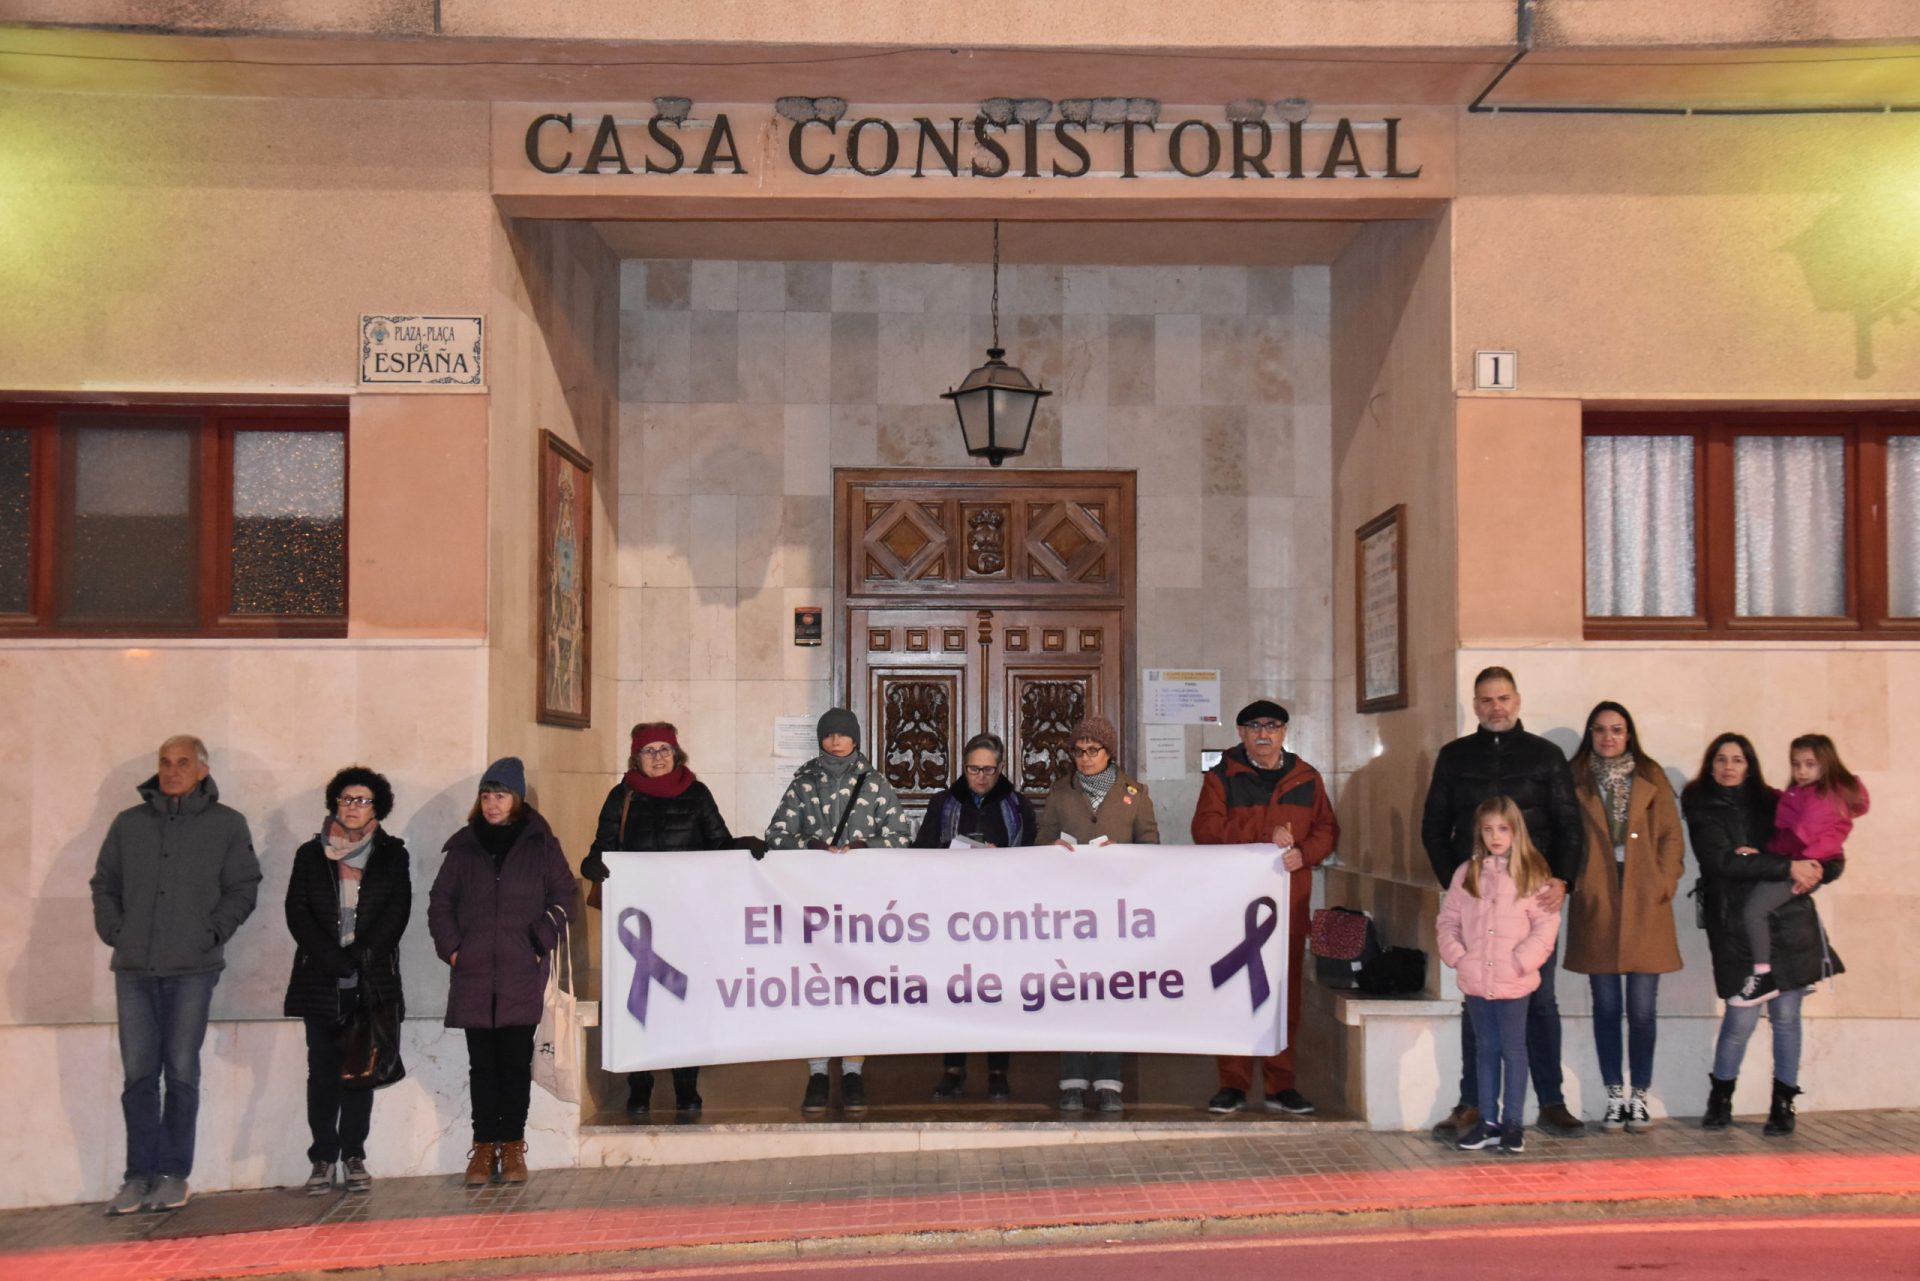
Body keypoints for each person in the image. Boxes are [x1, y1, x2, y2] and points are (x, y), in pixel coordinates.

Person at [90, 735, 261, 1216]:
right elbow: (104, 884)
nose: (171, 771)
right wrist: (116, 931)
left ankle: (172, 1175)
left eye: (182, 763)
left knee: (181, 1071)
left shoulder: (227, 824)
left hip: (192, 968)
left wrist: (212, 932)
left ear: (202, 770)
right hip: (134, 969)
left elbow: (243, 886)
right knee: (138, 1075)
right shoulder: (129, 824)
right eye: (165, 762)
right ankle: (136, 1177)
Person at [1420, 666, 1585, 1141]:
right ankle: (1472, 1104)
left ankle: (1551, 1102)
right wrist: (1460, 886)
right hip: (1477, 902)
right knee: (1477, 1004)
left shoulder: (1546, 756)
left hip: (1534, 902)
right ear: (1476, 706)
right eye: (1487, 700)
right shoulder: (1454, 757)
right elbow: (1433, 826)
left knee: (1542, 1001)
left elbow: (1570, 825)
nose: (1497, 707)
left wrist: (1563, 880)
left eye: (1504, 698)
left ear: (1517, 700)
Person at [581, 723, 761, 1118]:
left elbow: (718, 844)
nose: (658, 757)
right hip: (637, 919)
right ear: (637, 758)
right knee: (639, 1000)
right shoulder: (622, 796)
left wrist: (743, 846)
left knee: (685, 999)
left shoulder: (697, 793)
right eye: (650, 751)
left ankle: (685, 1084)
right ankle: (639, 1083)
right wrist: (592, 863)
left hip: (686, 916)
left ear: (677, 754)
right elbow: (603, 846)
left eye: (665, 749)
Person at [1682, 733, 1842, 1137]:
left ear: (1750, 765)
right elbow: (1721, 862)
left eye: (1737, 759)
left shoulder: (1778, 800)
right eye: (1721, 759)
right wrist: (1786, 866)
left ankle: (1783, 1104)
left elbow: (1831, 854)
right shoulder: (1700, 805)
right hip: (1735, 927)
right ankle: (1720, 1099)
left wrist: (1816, 870)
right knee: (1740, 1018)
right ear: (1710, 765)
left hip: (1788, 922)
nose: (1729, 767)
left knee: (1787, 1017)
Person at [428, 758, 577, 1186]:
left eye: (501, 795)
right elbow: (440, 902)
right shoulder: (464, 847)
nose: (492, 804)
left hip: (520, 973)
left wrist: (537, 942)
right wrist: (454, 951)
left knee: (514, 1064)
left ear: (517, 799)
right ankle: (482, 1148)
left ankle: (512, 1147)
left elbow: (564, 895)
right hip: (474, 975)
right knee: (482, 1067)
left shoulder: (541, 845)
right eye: (486, 796)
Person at [1190, 699, 1338, 1116]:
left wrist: (1305, 853)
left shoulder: (1307, 777)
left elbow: (1328, 829)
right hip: (1235, 905)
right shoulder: (1222, 776)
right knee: (1236, 993)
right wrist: (1262, 831)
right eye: (1254, 726)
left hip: (1289, 904)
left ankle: (1281, 1084)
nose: (1263, 734)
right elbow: (1204, 828)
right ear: (1240, 733)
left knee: (1284, 997)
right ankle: (1232, 1084)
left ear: (1284, 732)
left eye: (1272, 726)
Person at [765, 708, 917, 1115]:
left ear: (855, 739)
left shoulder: (876, 784)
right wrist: (811, 847)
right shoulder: (803, 784)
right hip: (812, 905)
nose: (836, 740)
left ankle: (853, 1071)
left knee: (856, 985)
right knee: (815, 985)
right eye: (829, 734)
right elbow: (776, 835)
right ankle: (817, 1071)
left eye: (843, 734)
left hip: (862, 907)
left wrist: (865, 848)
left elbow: (901, 836)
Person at [283, 767, 412, 1194]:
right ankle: (322, 1157)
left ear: (377, 807)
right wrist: (332, 958)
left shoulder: (392, 854)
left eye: (362, 800)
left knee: (360, 1070)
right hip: (321, 978)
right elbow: (297, 911)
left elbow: (397, 911)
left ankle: (354, 1154)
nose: (352, 807)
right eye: (346, 799)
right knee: (321, 1071)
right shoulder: (309, 854)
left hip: (369, 980)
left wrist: (361, 956)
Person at [1563, 703, 1685, 1134]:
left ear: (1629, 734)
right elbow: (1565, 833)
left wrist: (1664, 881)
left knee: (1643, 1009)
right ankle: (1614, 1095)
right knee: (1607, 1007)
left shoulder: (1651, 777)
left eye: (1616, 730)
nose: (1608, 738)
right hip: (1597, 899)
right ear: (1590, 734)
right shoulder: (1575, 777)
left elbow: (1671, 836)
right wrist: (1576, 880)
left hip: (1645, 900)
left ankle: (1640, 1096)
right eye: (1600, 730)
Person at [1035, 714, 1159, 1115]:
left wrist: (1123, 856)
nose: (1085, 758)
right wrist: (1053, 848)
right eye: (1078, 751)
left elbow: (1151, 847)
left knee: (1111, 992)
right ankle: (1072, 1081)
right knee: (1071, 990)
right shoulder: (1060, 792)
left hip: (1116, 911)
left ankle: (1109, 1081)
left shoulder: (1134, 793)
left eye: (1093, 750)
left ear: (1109, 752)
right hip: (1070, 910)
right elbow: (1041, 839)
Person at [912, 732, 1038, 1102]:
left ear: (1001, 769)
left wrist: (1002, 856)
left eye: (988, 770)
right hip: (953, 914)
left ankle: (998, 1070)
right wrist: (951, 854)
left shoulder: (1018, 806)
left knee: (998, 991)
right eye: (973, 769)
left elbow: (1035, 857)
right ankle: (953, 1068)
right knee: (956, 990)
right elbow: (920, 853)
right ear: (963, 767)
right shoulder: (943, 804)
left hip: (1002, 915)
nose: (980, 777)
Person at [1437, 797, 1562, 1155]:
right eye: (1488, 829)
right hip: (1478, 978)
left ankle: (1512, 1123)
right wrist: (1460, 957)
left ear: (1516, 831)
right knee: (1485, 1050)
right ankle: (1488, 1121)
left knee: (1514, 1050)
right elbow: (1448, 921)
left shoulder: (1533, 873)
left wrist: (1522, 961)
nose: (1495, 836)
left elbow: (1546, 926)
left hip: (1514, 980)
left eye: (1503, 829)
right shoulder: (1467, 874)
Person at [1730, 734, 1868, 1009]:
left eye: (1810, 764)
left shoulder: (1823, 797)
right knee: (1778, 913)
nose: (1801, 771)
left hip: (1809, 864)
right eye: (1796, 764)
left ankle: (1763, 976)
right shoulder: (1808, 792)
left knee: (1755, 910)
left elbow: (1798, 837)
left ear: (1826, 764)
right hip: (1809, 861)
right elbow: (1790, 808)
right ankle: (1799, 976)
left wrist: (1764, 853)